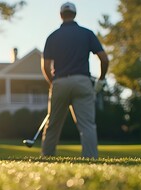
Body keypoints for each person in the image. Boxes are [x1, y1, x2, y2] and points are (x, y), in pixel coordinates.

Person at [41, 2, 109, 159]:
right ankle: (91, 159)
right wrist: (101, 79)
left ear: (61, 15)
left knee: (53, 125)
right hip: (82, 81)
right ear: (75, 14)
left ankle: (46, 158)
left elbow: (45, 66)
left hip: (59, 82)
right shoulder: (87, 33)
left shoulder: (52, 36)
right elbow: (104, 59)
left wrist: (54, 83)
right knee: (87, 126)